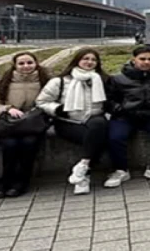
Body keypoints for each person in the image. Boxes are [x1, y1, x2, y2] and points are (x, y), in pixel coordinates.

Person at [36, 48, 109, 195]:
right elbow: (41, 101)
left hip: (94, 119)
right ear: (77, 61)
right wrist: (57, 109)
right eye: (85, 59)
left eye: (93, 60)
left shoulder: (103, 80)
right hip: (67, 122)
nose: (89, 62)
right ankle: (84, 173)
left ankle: (83, 168)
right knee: (97, 139)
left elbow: (111, 101)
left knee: (98, 127)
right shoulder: (59, 81)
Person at [105, 45, 150, 187]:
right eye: (142, 59)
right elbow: (109, 99)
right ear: (133, 60)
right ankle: (121, 170)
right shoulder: (118, 79)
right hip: (125, 116)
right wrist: (120, 109)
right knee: (115, 137)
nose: (146, 62)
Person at [0, 51, 51, 198]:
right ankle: (4, 182)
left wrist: (38, 111)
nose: (26, 66)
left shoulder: (46, 81)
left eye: (29, 63)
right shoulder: (4, 82)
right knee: (10, 145)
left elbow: (53, 102)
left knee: (29, 143)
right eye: (21, 63)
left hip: (33, 124)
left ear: (36, 64)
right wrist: (7, 109)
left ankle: (22, 182)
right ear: (15, 65)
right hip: (9, 125)